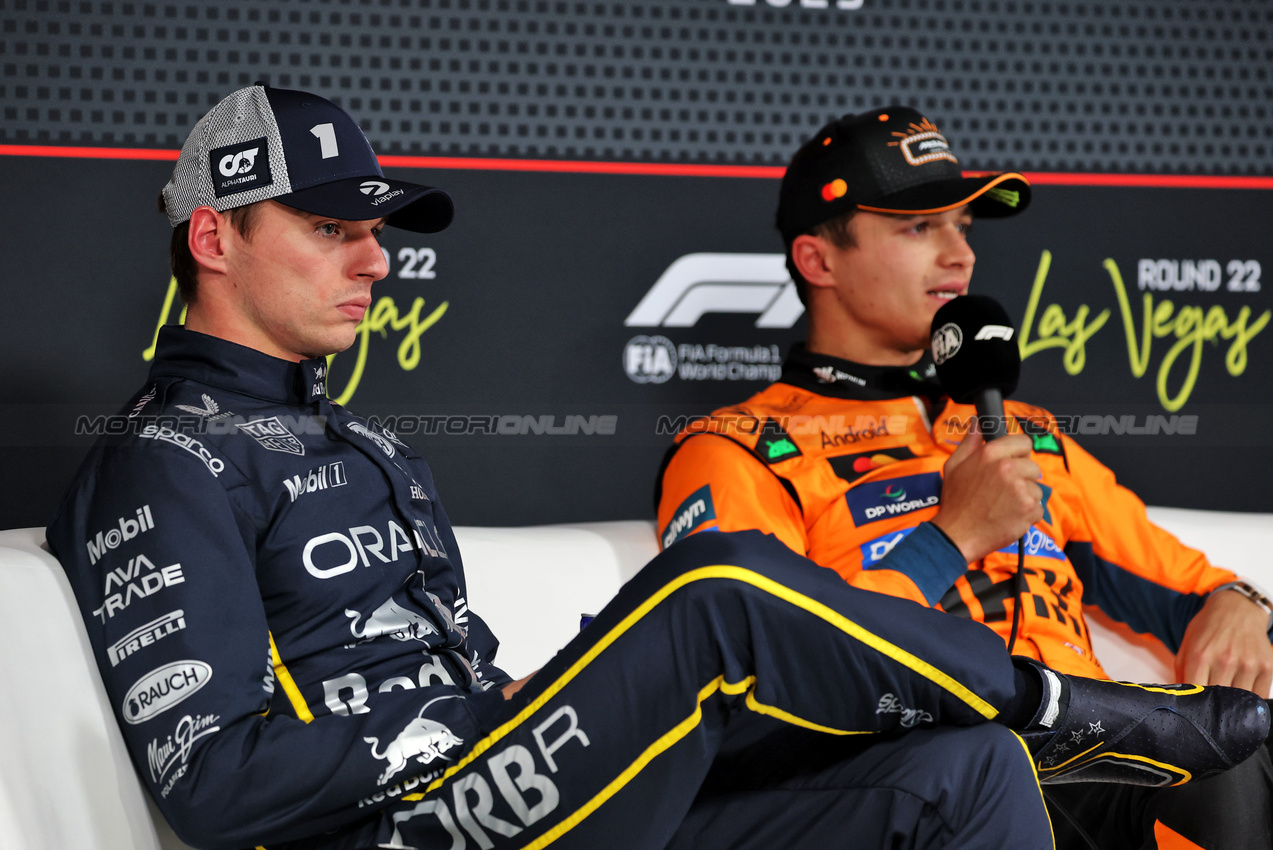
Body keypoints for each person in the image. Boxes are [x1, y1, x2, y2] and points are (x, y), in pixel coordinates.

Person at [46, 87, 1266, 850]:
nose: (372, 262)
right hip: (406, 826)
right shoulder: (163, 458)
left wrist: (521, 701)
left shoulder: (367, 444)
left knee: (961, 771)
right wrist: (478, 720)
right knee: (716, 590)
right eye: (331, 229)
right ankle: (1093, 716)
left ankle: (1057, 728)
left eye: (375, 232)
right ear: (213, 236)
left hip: (507, 778)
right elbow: (212, 781)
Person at [655, 105, 1273, 848]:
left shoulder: (1024, 431)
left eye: (963, 228)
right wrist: (950, 537)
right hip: (927, 773)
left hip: (1092, 753)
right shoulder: (738, 448)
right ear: (818, 260)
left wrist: (1236, 600)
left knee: (1230, 752)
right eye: (918, 228)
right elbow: (761, 677)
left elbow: (1184, 584)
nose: (959, 256)